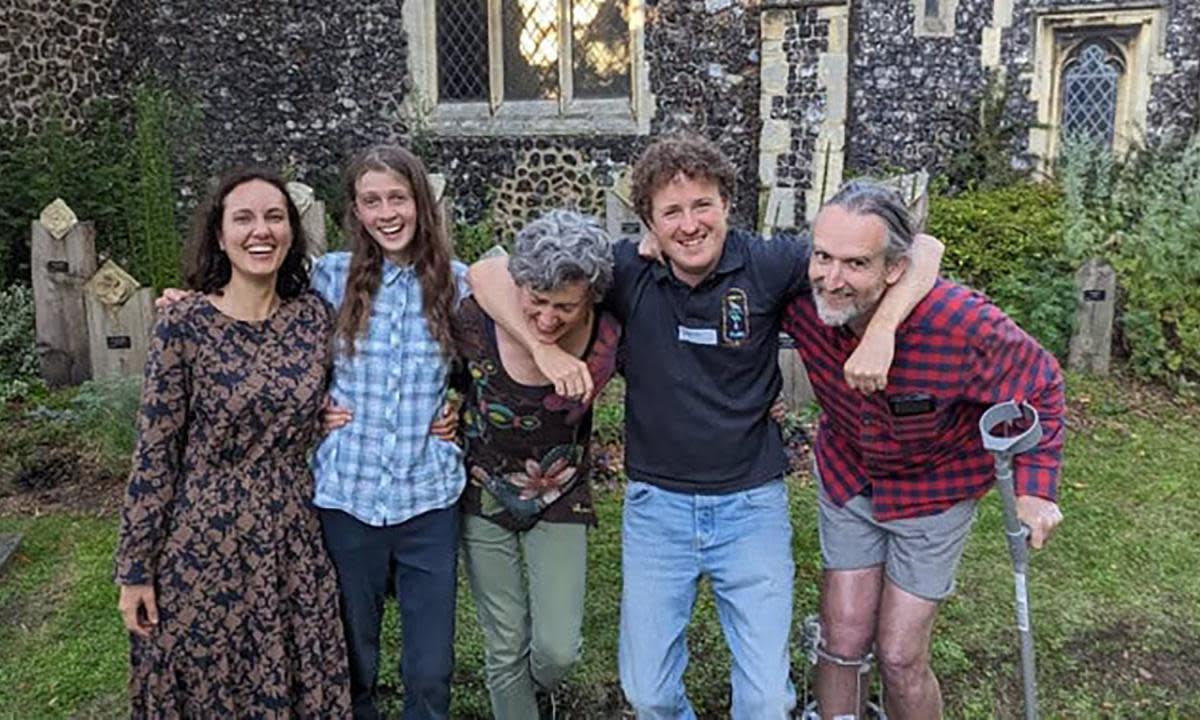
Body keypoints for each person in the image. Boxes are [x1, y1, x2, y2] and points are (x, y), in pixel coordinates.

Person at [469, 134, 944, 720]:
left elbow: (923, 246)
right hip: (656, 509)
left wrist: (882, 330)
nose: (689, 224)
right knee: (649, 695)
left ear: (727, 205)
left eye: (703, 206)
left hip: (751, 506)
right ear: (649, 222)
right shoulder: (624, 270)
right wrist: (545, 356)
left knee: (767, 702)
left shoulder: (768, 264)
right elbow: (488, 273)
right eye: (671, 211)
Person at [781, 180, 1065, 720]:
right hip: (849, 478)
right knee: (841, 637)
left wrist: (1034, 489)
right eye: (822, 257)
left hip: (934, 494)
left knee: (899, 654)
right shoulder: (804, 294)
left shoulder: (959, 323)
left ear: (894, 269)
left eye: (855, 264)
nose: (832, 279)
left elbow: (1042, 385)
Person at [115, 167, 352, 716]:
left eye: (274, 217)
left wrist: (450, 408)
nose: (260, 231)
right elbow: (154, 453)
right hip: (202, 542)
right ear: (220, 236)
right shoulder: (185, 324)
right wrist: (135, 570)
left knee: (293, 670)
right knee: (208, 682)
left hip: (292, 536)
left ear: (292, 232)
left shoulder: (313, 319)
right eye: (242, 218)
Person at [312, 145, 466, 720]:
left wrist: (464, 414)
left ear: (421, 204)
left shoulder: (456, 284)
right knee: (353, 659)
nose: (386, 212)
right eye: (371, 200)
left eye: (397, 198)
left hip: (427, 499)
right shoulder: (328, 279)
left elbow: (502, 354)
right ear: (355, 210)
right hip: (347, 498)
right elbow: (261, 331)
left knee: (429, 670)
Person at [457, 209, 619, 719]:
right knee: (504, 646)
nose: (548, 319)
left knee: (556, 650)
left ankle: (534, 695)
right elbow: (480, 275)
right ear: (519, 284)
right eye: (537, 302)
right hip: (482, 491)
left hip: (561, 495)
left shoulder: (610, 335)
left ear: (590, 296)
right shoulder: (474, 319)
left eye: (565, 307)